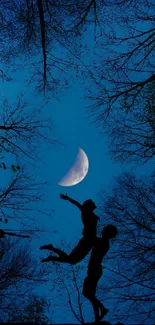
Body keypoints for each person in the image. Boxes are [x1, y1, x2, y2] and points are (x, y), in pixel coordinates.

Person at [40, 193, 99, 265]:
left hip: (89, 239)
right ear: (89, 205)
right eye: (93, 203)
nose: (94, 204)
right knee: (72, 260)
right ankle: (51, 252)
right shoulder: (85, 211)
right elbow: (77, 204)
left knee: (71, 260)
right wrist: (68, 198)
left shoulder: (91, 214)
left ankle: (51, 251)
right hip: (88, 239)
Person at [82, 224, 118, 322]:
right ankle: (102, 310)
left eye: (105, 229)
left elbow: (93, 240)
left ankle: (98, 317)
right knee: (87, 293)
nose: (102, 229)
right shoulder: (102, 241)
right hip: (93, 269)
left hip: (95, 268)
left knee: (89, 293)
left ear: (109, 233)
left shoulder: (104, 242)